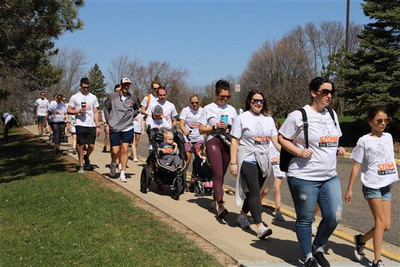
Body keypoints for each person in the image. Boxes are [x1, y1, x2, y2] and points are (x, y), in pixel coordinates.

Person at [278, 77, 345, 267]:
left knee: (334, 215)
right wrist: (298, 151)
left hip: (329, 175)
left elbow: (333, 139)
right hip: (303, 176)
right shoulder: (299, 115)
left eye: (331, 92)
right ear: (313, 92)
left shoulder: (332, 114)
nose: (329, 95)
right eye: (325, 92)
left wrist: (338, 149)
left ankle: (318, 247)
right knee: (306, 218)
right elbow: (281, 138)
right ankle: (308, 256)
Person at [345, 105, 398, 267]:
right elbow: (356, 165)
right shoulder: (364, 141)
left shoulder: (388, 137)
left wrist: (390, 177)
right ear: (370, 122)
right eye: (379, 121)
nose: (383, 123)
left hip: (385, 185)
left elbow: (389, 159)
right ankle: (377, 259)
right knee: (380, 223)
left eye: (386, 120)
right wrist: (349, 189)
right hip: (372, 185)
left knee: (387, 226)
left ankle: (360, 240)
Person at [230, 90, 278, 239]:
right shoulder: (242, 118)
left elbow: (275, 141)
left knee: (253, 193)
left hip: (263, 160)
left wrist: (292, 153)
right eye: (255, 101)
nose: (258, 103)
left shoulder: (269, 119)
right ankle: (260, 226)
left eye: (261, 101)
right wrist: (233, 163)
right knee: (255, 192)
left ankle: (243, 215)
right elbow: (234, 141)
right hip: (247, 158)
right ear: (249, 102)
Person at [199, 79, 237, 218]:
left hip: (227, 142)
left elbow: (237, 129)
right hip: (213, 140)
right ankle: (220, 205)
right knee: (218, 174)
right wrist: (214, 127)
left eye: (227, 97)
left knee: (221, 175)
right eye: (222, 97)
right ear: (216, 95)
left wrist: (230, 129)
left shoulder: (232, 110)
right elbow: (201, 129)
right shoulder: (208, 108)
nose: (225, 99)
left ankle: (215, 199)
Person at [103, 77, 140, 182]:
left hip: (128, 127)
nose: (126, 86)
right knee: (115, 150)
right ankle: (113, 163)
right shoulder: (112, 96)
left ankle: (122, 173)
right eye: (124, 84)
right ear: (121, 85)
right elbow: (105, 108)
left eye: (128, 84)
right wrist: (109, 121)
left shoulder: (133, 98)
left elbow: (138, 109)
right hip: (115, 127)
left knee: (124, 149)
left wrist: (132, 114)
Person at [68, 77, 101, 174]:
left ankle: (87, 157)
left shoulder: (93, 97)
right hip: (80, 123)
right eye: (84, 87)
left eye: (87, 87)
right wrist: (78, 111)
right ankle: (81, 165)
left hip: (91, 125)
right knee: (81, 145)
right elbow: (69, 110)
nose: (86, 89)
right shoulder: (75, 97)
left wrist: (98, 126)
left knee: (91, 145)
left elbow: (95, 112)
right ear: (80, 86)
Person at [259, 119, 286, 221]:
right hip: (268, 167)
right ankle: (258, 202)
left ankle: (278, 211)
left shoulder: (281, 140)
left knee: (276, 189)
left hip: (278, 166)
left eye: (276, 128)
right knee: (265, 190)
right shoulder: (266, 140)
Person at [179, 94, 205, 171]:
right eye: (192, 102)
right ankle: (183, 176)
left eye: (196, 102)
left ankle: (195, 177)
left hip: (199, 138)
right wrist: (185, 131)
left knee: (199, 160)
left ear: (199, 101)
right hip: (188, 139)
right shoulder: (185, 110)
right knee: (187, 160)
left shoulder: (203, 111)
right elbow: (181, 124)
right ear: (190, 102)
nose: (194, 104)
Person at [103, 84, 121, 153]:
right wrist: (107, 123)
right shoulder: (110, 100)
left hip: (122, 124)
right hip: (112, 124)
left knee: (122, 145)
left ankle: (120, 162)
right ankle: (113, 159)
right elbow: (105, 111)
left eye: (119, 91)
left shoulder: (124, 100)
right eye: (116, 91)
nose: (118, 93)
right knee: (113, 143)